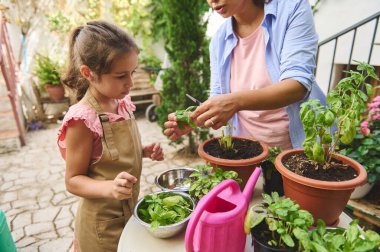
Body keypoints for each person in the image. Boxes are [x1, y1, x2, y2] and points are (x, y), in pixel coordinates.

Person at [57, 21, 164, 252]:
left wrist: (143, 151)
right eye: (120, 76)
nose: (131, 83)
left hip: (129, 214)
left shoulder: (121, 102)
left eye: (132, 72)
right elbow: (72, 180)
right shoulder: (82, 120)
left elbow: (108, 154)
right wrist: (109, 188)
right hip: (101, 229)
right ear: (88, 73)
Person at [164, 0, 326, 150]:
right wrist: (194, 118)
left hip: (299, 150)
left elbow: (297, 86)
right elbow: (220, 98)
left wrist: (235, 102)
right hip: (248, 151)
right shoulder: (219, 40)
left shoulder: (292, 9)